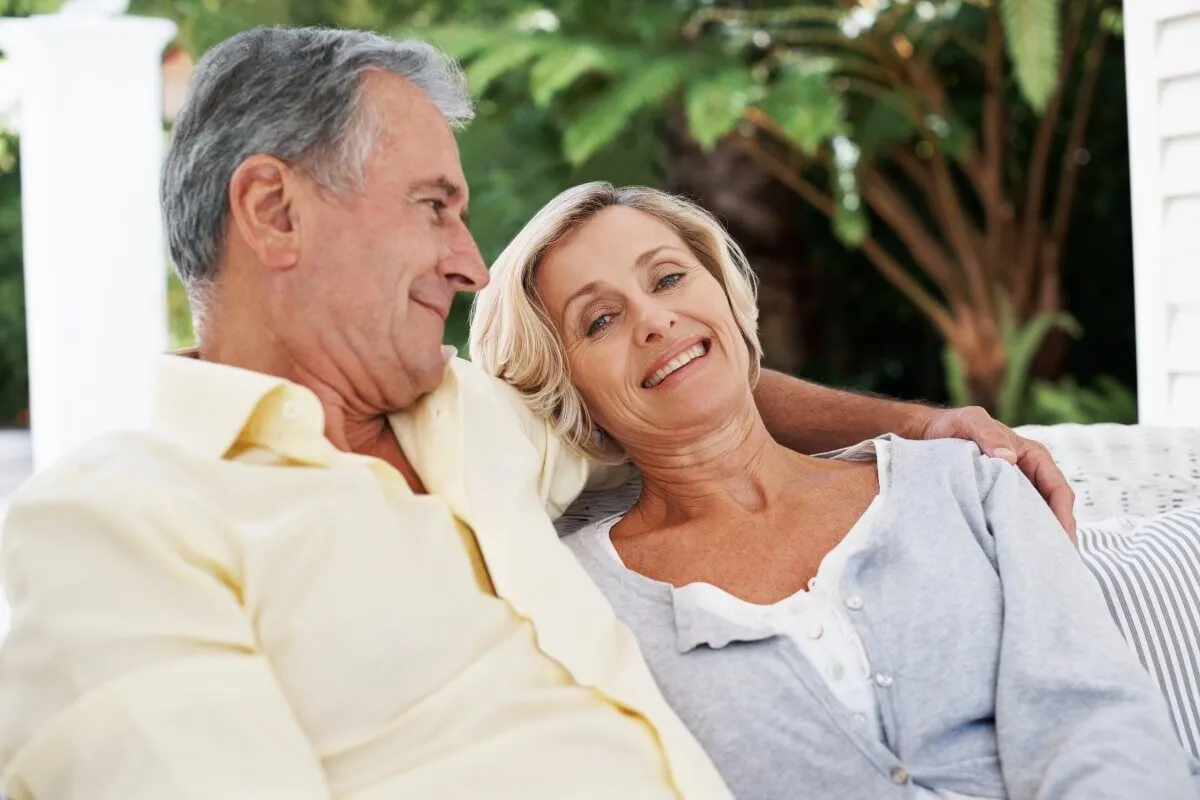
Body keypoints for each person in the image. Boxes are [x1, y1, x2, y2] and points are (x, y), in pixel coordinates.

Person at [0, 27, 1072, 800]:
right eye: (435, 207)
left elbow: (690, 382)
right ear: (276, 212)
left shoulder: (477, 414)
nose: (470, 264)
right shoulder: (118, 524)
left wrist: (926, 426)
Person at [469, 182, 1200, 800]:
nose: (656, 320)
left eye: (667, 279)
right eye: (601, 320)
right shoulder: (573, 599)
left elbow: (1096, 723)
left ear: (725, 293)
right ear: (566, 392)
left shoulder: (969, 486)